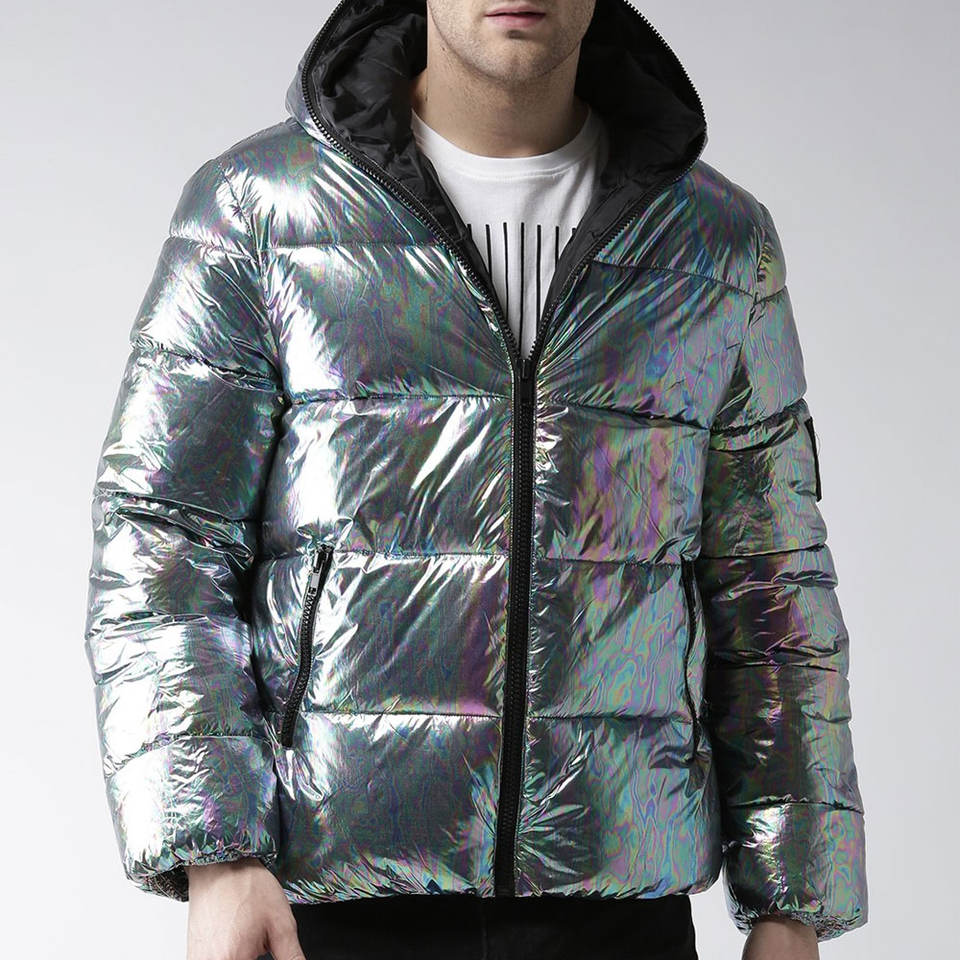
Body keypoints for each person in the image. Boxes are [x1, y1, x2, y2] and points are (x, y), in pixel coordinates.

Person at [82, 2, 869, 959]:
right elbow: (161, 542)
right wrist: (217, 854)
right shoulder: (261, 211)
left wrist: (791, 906)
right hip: (326, 906)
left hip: (619, 910)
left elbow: (772, 581)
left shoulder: (718, 245)